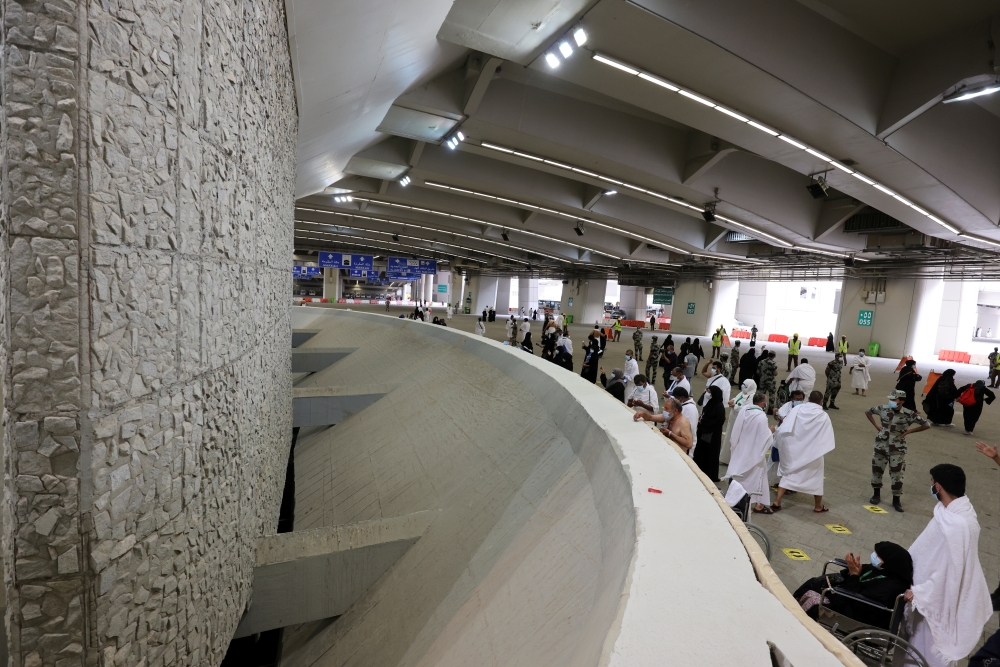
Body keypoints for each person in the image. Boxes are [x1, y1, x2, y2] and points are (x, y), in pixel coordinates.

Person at [900, 464, 991, 667]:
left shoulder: (956, 525)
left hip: (936, 599)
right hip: (935, 591)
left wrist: (922, 592)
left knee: (925, 651)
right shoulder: (960, 511)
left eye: (932, 482)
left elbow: (951, 570)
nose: (930, 486)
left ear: (938, 487)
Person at [792, 543, 913, 625]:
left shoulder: (892, 586)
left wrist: (855, 575)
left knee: (814, 597)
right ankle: (791, 609)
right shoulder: (882, 569)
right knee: (814, 583)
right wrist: (852, 569)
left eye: (878, 556)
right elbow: (858, 573)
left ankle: (799, 623)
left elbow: (860, 600)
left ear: (889, 561)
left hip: (860, 614)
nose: (874, 556)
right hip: (851, 599)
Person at [866, 390, 931, 512]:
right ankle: (876, 494)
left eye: (894, 400)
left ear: (901, 401)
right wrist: (876, 426)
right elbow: (868, 411)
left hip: (897, 449)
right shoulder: (883, 409)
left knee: (897, 475)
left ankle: (896, 500)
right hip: (881, 445)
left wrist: (909, 431)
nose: (890, 401)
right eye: (890, 399)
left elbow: (926, 425)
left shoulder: (909, 414)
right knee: (877, 470)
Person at [771, 391, 835, 513]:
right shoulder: (823, 415)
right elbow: (825, 437)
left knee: (788, 474)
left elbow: (785, 427)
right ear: (821, 402)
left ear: (809, 398)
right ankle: (818, 506)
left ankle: (777, 501)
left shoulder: (797, 409)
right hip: (813, 453)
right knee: (816, 477)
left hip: (794, 450)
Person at [726, 391, 773, 512]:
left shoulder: (745, 410)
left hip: (741, 447)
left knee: (738, 474)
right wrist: (771, 432)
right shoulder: (761, 416)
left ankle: (738, 499)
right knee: (756, 478)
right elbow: (763, 437)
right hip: (754, 452)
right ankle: (754, 503)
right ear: (762, 403)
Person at [693, 385, 726, 482]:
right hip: (703, 433)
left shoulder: (719, 407)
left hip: (712, 436)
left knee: (710, 455)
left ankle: (710, 475)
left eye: (710, 392)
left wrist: (704, 422)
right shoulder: (711, 403)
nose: (708, 394)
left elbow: (718, 422)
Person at [721, 379, 757, 465]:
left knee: (736, 439)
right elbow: (737, 398)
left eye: (745, 385)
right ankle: (725, 459)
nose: (743, 386)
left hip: (740, 421)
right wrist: (732, 401)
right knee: (729, 437)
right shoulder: (743, 393)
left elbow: (747, 409)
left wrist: (735, 406)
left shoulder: (752, 396)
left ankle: (733, 460)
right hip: (733, 419)